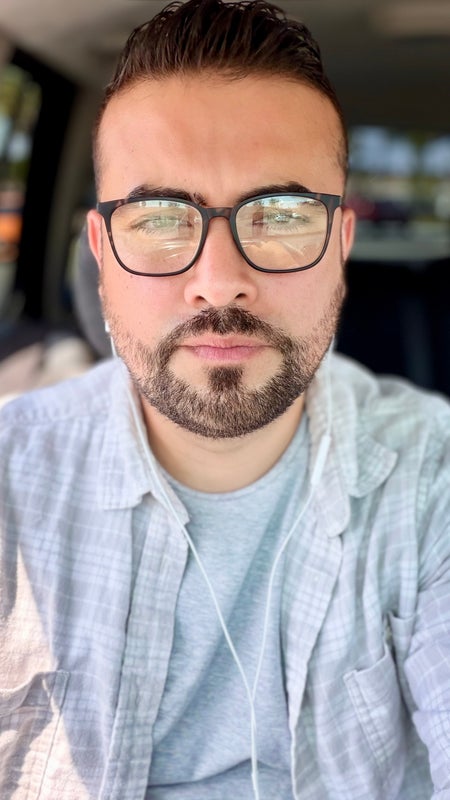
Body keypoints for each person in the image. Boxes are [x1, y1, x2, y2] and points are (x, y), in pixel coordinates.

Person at [0, 0, 449, 797]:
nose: (219, 282)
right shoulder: (12, 476)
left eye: (281, 216)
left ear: (341, 247)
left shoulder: (430, 475)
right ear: (100, 256)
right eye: (160, 219)